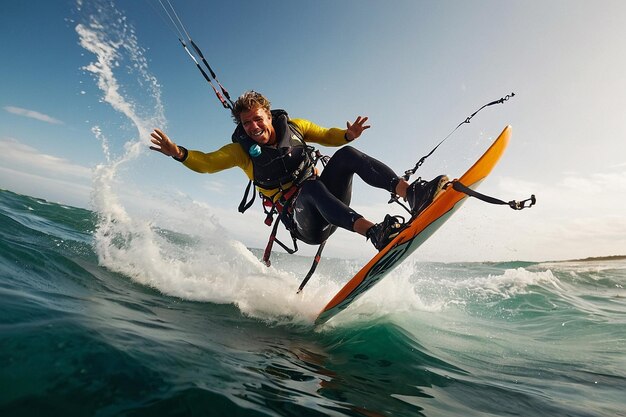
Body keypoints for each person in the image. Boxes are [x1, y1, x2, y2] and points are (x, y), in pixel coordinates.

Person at [150, 91, 448, 251]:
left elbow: (326, 135)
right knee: (309, 188)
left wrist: (347, 136)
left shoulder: (294, 127)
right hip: (306, 223)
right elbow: (208, 162)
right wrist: (177, 153)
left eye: (257, 119)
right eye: (246, 123)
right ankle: (375, 233)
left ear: (269, 114)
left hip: (333, 205)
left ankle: (412, 194)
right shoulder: (241, 153)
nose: (253, 127)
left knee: (346, 155)